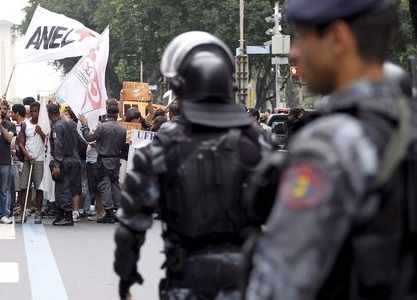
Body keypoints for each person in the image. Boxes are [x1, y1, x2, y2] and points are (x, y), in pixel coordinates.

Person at [245, 0, 417, 299]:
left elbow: (280, 281)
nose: (294, 51)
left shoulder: (331, 143)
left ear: (338, 38)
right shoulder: (406, 122)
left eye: (303, 36)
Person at [113, 31, 270, 299]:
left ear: (182, 90)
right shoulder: (259, 142)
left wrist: (126, 278)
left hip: (187, 282)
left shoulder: (164, 145)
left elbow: (131, 226)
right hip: (248, 282)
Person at [79, 99, 126, 223]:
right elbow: (121, 145)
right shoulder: (122, 129)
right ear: (117, 115)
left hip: (104, 160)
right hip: (115, 159)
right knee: (115, 185)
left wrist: (84, 125)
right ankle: (119, 210)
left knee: (104, 186)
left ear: (107, 114)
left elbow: (89, 137)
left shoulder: (102, 127)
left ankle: (109, 213)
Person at [47, 103, 81, 226]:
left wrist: (56, 164)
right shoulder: (71, 123)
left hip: (63, 160)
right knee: (69, 187)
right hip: (74, 159)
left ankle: (67, 215)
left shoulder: (57, 126)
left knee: (63, 188)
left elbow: (58, 146)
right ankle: (62, 214)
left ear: (49, 114)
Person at [16, 102, 46, 224]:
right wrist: (28, 156)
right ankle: (24, 211)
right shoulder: (25, 125)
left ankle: (39, 212)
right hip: (29, 159)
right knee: (24, 187)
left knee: (39, 187)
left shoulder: (44, 124)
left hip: (40, 159)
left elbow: (48, 141)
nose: (34, 114)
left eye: (36, 111)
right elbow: (20, 143)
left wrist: (41, 133)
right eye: (32, 111)